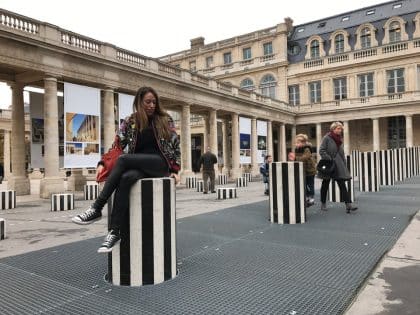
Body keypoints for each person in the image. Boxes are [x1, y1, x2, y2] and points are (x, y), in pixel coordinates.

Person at [72, 86, 181, 253]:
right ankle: (115, 232)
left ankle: (96, 208)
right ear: (139, 102)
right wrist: (103, 162)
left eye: (154, 102)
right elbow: (117, 145)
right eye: (147, 102)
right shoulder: (130, 122)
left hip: (160, 163)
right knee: (126, 179)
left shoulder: (165, 120)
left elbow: (175, 145)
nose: (151, 105)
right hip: (138, 164)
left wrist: (175, 170)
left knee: (124, 160)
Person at [319, 121, 357, 213]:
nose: (340, 130)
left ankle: (348, 205)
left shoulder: (339, 139)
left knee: (342, 184)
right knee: (325, 184)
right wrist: (329, 159)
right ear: (333, 129)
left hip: (338, 165)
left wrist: (343, 162)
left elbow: (341, 152)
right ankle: (323, 203)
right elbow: (321, 150)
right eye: (338, 128)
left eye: (341, 129)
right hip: (329, 165)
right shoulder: (327, 138)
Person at [288, 134, 316, 206]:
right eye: (295, 143)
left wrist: (295, 158)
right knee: (304, 185)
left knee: (310, 185)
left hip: (310, 170)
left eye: (298, 143)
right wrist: (293, 159)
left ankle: (311, 198)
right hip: (302, 170)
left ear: (303, 143)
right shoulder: (297, 149)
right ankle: (306, 197)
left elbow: (305, 157)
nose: (296, 144)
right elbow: (297, 159)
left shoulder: (307, 149)